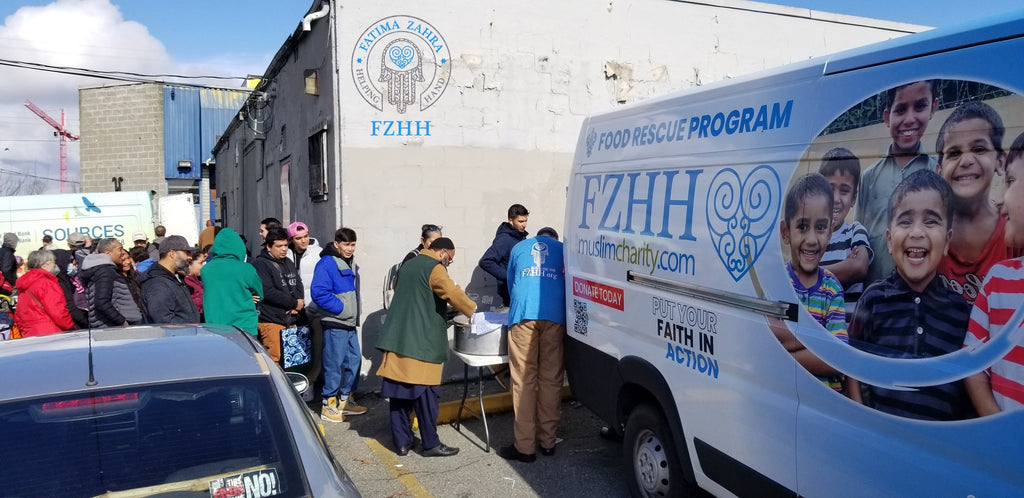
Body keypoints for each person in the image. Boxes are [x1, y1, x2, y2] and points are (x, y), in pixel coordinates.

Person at [847, 170, 971, 421]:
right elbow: (852, 366)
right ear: (890, 241)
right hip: (883, 440)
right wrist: (863, 419)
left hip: (940, 449)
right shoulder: (873, 300)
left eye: (931, 221)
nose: (917, 232)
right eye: (905, 221)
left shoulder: (962, 312)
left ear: (947, 241)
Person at [377, 237, 476, 457]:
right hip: (421, 343)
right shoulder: (435, 268)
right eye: (449, 259)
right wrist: (474, 312)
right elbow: (452, 293)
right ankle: (430, 444)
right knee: (426, 396)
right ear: (442, 252)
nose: (448, 264)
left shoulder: (409, 263)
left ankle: (402, 443)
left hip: (397, 338)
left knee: (399, 395)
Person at [963, 131, 1024, 416]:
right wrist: (999, 431)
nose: (999, 200)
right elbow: (974, 366)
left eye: (1010, 181)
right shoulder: (998, 280)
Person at [935, 101, 1021, 303]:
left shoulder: (1016, 233)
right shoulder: (927, 235)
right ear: (938, 172)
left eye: (979, 149)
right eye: (954, 153)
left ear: (1001, 162)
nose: (966, 161)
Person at [856, 80, 939, 285]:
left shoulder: (938, 172)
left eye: (920, 106)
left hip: (923, 293)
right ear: (887, 117)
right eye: (901, 109)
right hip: (875, 295)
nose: (909, 119)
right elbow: (860, 239)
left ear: (933, 108)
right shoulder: (869, 177)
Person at [499, 227, 566, 463]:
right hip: (555, 315)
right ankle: (548, 442)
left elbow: (511, 283)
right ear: (554, 238)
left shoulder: (519, 247)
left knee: (524, 381)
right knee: (551, 378)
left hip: (524, 315)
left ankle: (525, 447)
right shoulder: (564, 249)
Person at [778, 173, 848, 393]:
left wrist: (785, 357)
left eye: (820, 227)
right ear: (785, 232)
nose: (811, 239)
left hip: (825, 404)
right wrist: (821, 346)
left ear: (830, 231)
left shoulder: (832, 289)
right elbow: (768, 340)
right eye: (802, 226)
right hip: (784, 398)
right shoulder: (778, 283)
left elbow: (838, 356)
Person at [312, 228, 367, 422]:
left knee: (354, 361)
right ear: (336, 244)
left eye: (352, 245)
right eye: (346, 244)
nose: (350, 248)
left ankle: (346, 400)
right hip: (336, 322)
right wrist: (342, 309)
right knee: (333, 364)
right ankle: (329, 404)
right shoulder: (327, 263)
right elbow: (318, 293)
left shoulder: (348, 262)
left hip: (349, 323)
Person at [818, 148, 873, 319]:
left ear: (854, 198)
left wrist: (810, 274)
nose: (835, 198)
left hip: (846, 336)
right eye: (829, 188)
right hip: (814, 329)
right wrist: (843, 267)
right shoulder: (811, 236)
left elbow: (858, 267)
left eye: (844, 190)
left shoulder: (855, 231)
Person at [252, 227, 304, 364]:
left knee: (293, 360)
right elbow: (267, 291)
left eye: (286, 245)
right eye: (279, 246)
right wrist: (293, 303)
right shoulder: (260, 264)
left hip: (291, 319)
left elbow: (298, 283)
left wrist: (298, 304)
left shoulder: (288, 262)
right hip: (271, 320)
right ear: (269, 247)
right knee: (274, 359)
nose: (284, 249)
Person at [203, 228, 263, 335]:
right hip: (244, 325)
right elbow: (260, 294)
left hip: (215, 325)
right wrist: (249, 297)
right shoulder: (246, 269)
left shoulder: (206, 270)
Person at [287, 221, 325, 387]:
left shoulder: (318, 253)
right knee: (296, 346)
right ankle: (299, 382)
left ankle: (313, 379)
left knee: (317, 345)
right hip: (294, 308)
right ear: (291, 239)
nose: (303, 241)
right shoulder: (287, 254)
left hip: (314, 307)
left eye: (305, 236)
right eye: (298, 238)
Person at [79, 238, 144, 327]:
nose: (123, 253)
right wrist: (122, 322)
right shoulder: (105, 271)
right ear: (107, 253)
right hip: (113, 328)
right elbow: (101, 302)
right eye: (120, 249)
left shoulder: (101, 269)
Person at [12, 249, 75, 336]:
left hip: (30, 332)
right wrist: (71, 327)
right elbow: (58, 312)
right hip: (51, 332)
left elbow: (19, 314)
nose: (55, 265)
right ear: (44, 265)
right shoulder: (46, 283)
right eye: (54, 262)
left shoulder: (24, 283)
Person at [140, 235, 200, 324]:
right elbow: (163, 320)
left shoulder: (173, 277)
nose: (190, 257)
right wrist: (188, 329)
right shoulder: (157, 284)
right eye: (186, 253)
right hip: (179, 336)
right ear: (172, 254)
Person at [479, 204, 530, 307]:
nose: (524, 225)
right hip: (510, 292)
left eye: (525, 221)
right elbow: (486, 261)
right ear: (510, 220)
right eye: (520, 221)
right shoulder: (504, 239)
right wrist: (509, 276)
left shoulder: (521, 237)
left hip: (521, 288)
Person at [184, 247, 207, 320]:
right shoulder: (187, 283)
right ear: (189, 263)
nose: (204, 265)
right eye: (201, 263)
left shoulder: (197, 281)